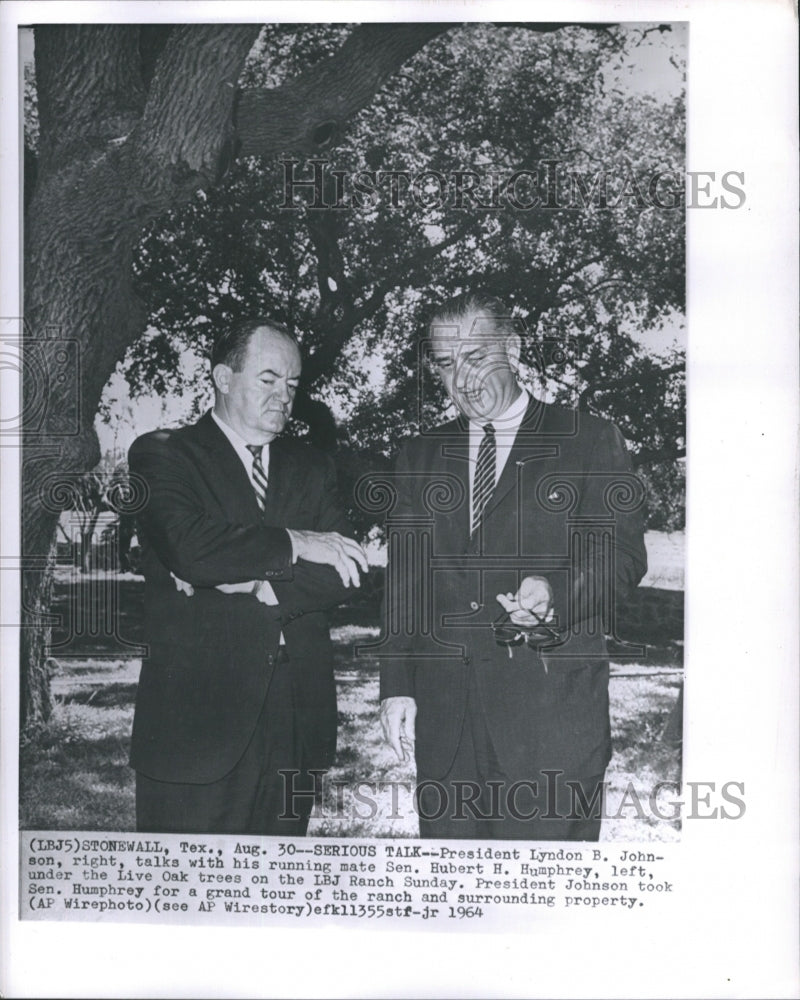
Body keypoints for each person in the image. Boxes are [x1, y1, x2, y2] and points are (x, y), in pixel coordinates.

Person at [379, 294, 647, 840]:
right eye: (445, 364)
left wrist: (556, 594)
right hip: (447, 732)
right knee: (455, 910)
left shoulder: (589, 440)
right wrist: (396, 685)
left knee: (543, 912)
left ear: (514, 349)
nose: (462, 379)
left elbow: (620, 556)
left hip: (552, 727)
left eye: (475, 357)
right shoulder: (419, 455)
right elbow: (405, 580)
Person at [128, 317, 367, 836]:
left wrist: (252, 579)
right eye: (268, 379)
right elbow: (190, 548)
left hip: (295, 718)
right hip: (195, 720)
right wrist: (297, 543)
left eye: (294, 384)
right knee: (185, 894)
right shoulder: (164, 453)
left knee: (274, 897)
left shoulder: (314, 468)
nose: (285, 395)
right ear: (222, 376)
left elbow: (346, 572)